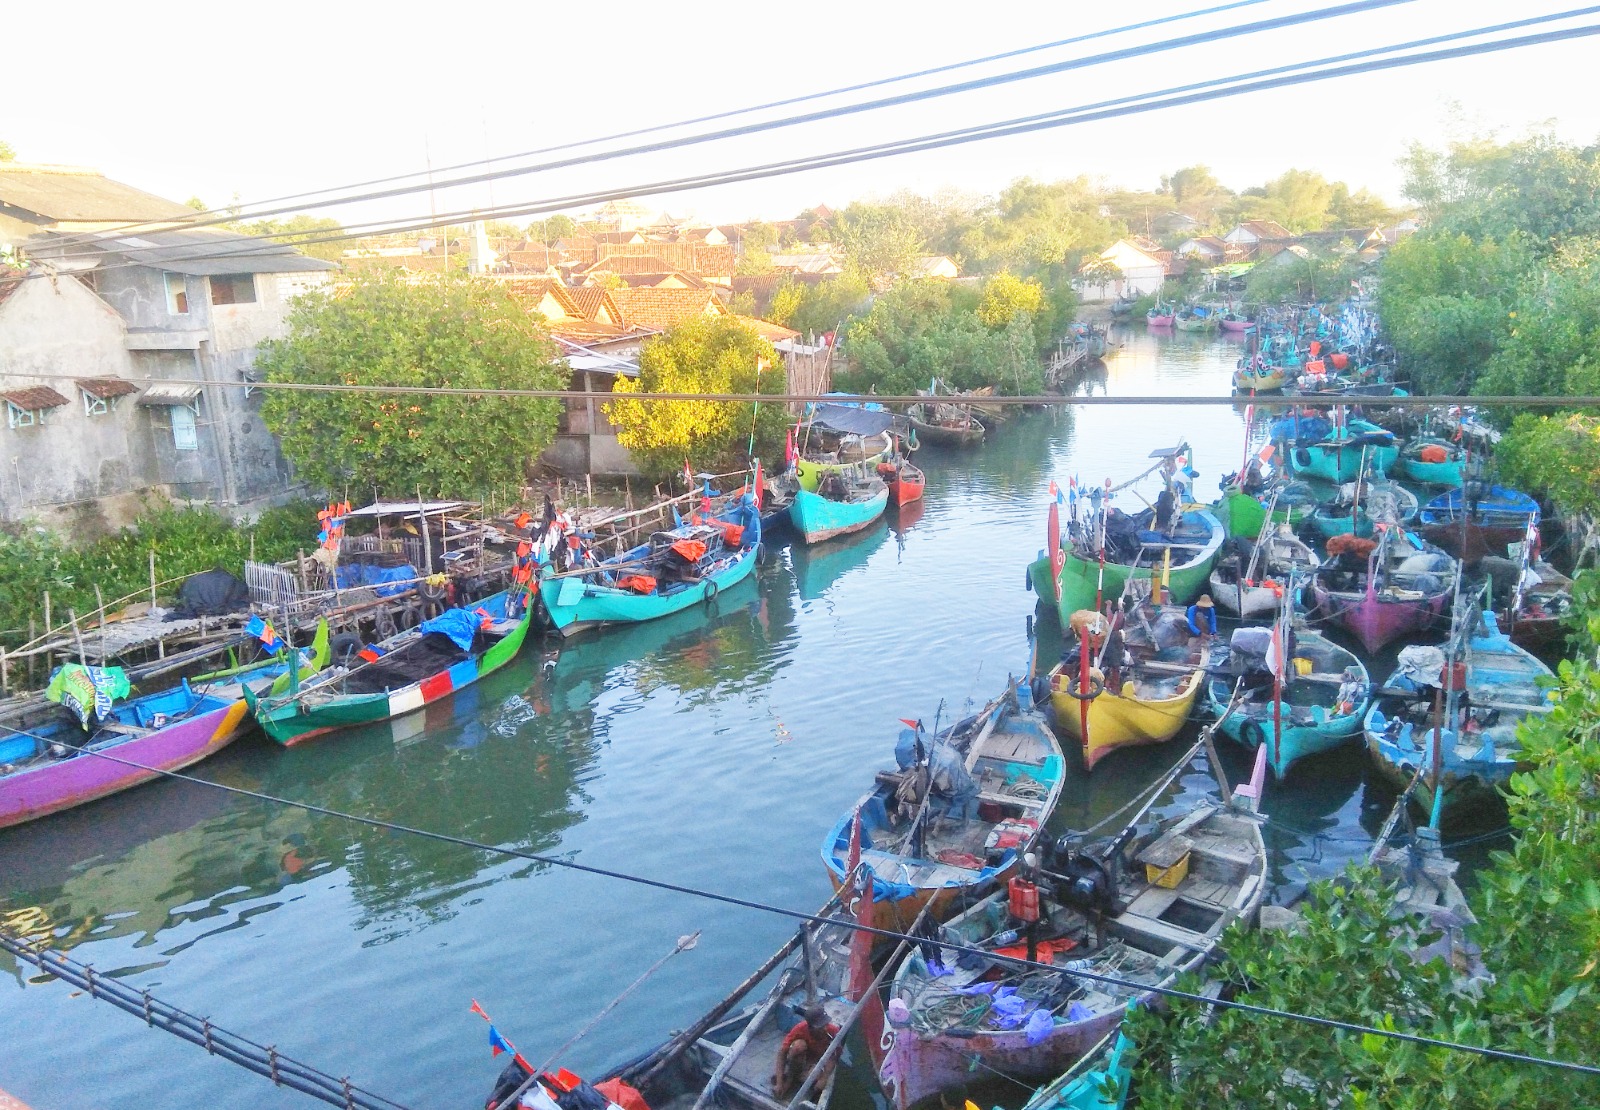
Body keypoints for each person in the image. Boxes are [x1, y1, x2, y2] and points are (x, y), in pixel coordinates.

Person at [773, 1006, 839, 1099]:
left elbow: (833, 1057)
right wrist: (779, 1082)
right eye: (820, 1026)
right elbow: (782, 1052)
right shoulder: (800, 1028)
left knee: (814, 1077)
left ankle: (800, 1081)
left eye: (825, 1024)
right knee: (797, 1046)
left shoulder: (833, 1031)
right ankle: (790, 1079)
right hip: (803, 1057)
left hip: (818, 1062)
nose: (824, 1028)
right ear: (810, 1027)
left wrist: (824, 1078)